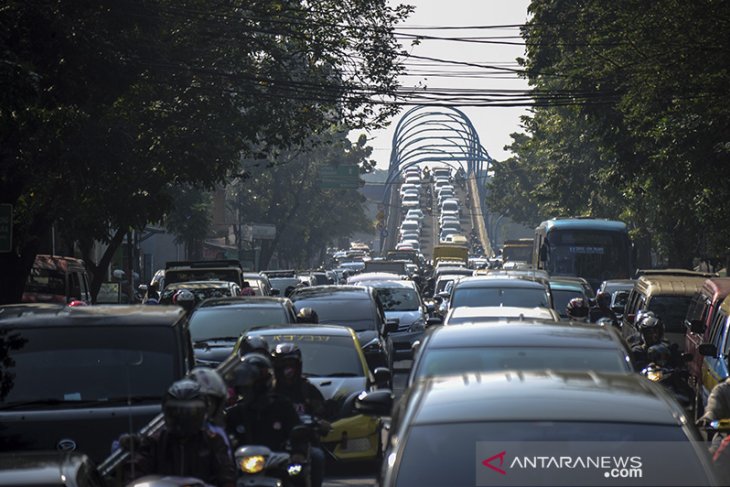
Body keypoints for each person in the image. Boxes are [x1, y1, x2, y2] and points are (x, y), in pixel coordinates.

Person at [123, 379, 235, 487]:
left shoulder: (213, 441)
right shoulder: (155, 442)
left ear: (202, 413)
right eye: (176, 412)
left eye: (190, 412)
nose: (183, 419)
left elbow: (226, 475)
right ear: (166, 412)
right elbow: (136, 473)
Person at [271, 343, 329, 487]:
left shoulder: (307, 390)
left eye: (292, 365)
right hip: (272, 444)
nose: (288, 371)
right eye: (283, 366)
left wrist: (320, 423)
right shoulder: (268, 391)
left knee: (317, 457)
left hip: (301, 446)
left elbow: (321, 413)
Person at [224, 353, 301, 452]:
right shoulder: (234, 414)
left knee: (317, 455)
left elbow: (297, 434)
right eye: (243, 388)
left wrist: (298, 453)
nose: (245, 391)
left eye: (248, 388)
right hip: (242, 464)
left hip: (279, 462)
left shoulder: (283, 407)